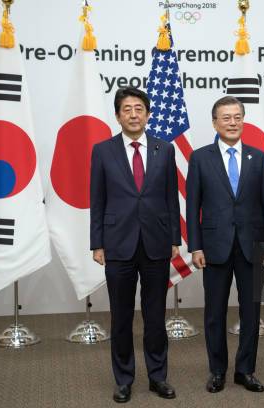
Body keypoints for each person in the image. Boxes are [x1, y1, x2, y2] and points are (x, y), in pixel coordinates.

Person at [90, 87, 181, 403]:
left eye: (139, 108)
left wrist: (174, 238)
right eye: (126, 109)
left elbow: (171, 197)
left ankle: (158, 377)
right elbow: (97, 200)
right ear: (118, 115)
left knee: (156, 316)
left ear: (148, 113)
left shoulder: (164, 149)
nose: (133, 114)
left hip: (156, 243)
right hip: (117, 244)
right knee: (122, 316)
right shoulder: (103, 151)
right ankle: (124, 379)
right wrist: (97, 242)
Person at [186, 96, 264, 393]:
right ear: (215, 122)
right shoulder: (200, 158)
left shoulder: (259, 157)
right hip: (214, 247)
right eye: (226, 117)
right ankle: (217, 371)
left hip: (252, 246)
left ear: (243, 120)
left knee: (251, 312)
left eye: (237, 116)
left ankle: (245, 370)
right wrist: (195, 246)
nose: (232, 122)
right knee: (214, 313)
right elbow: (193, 206)